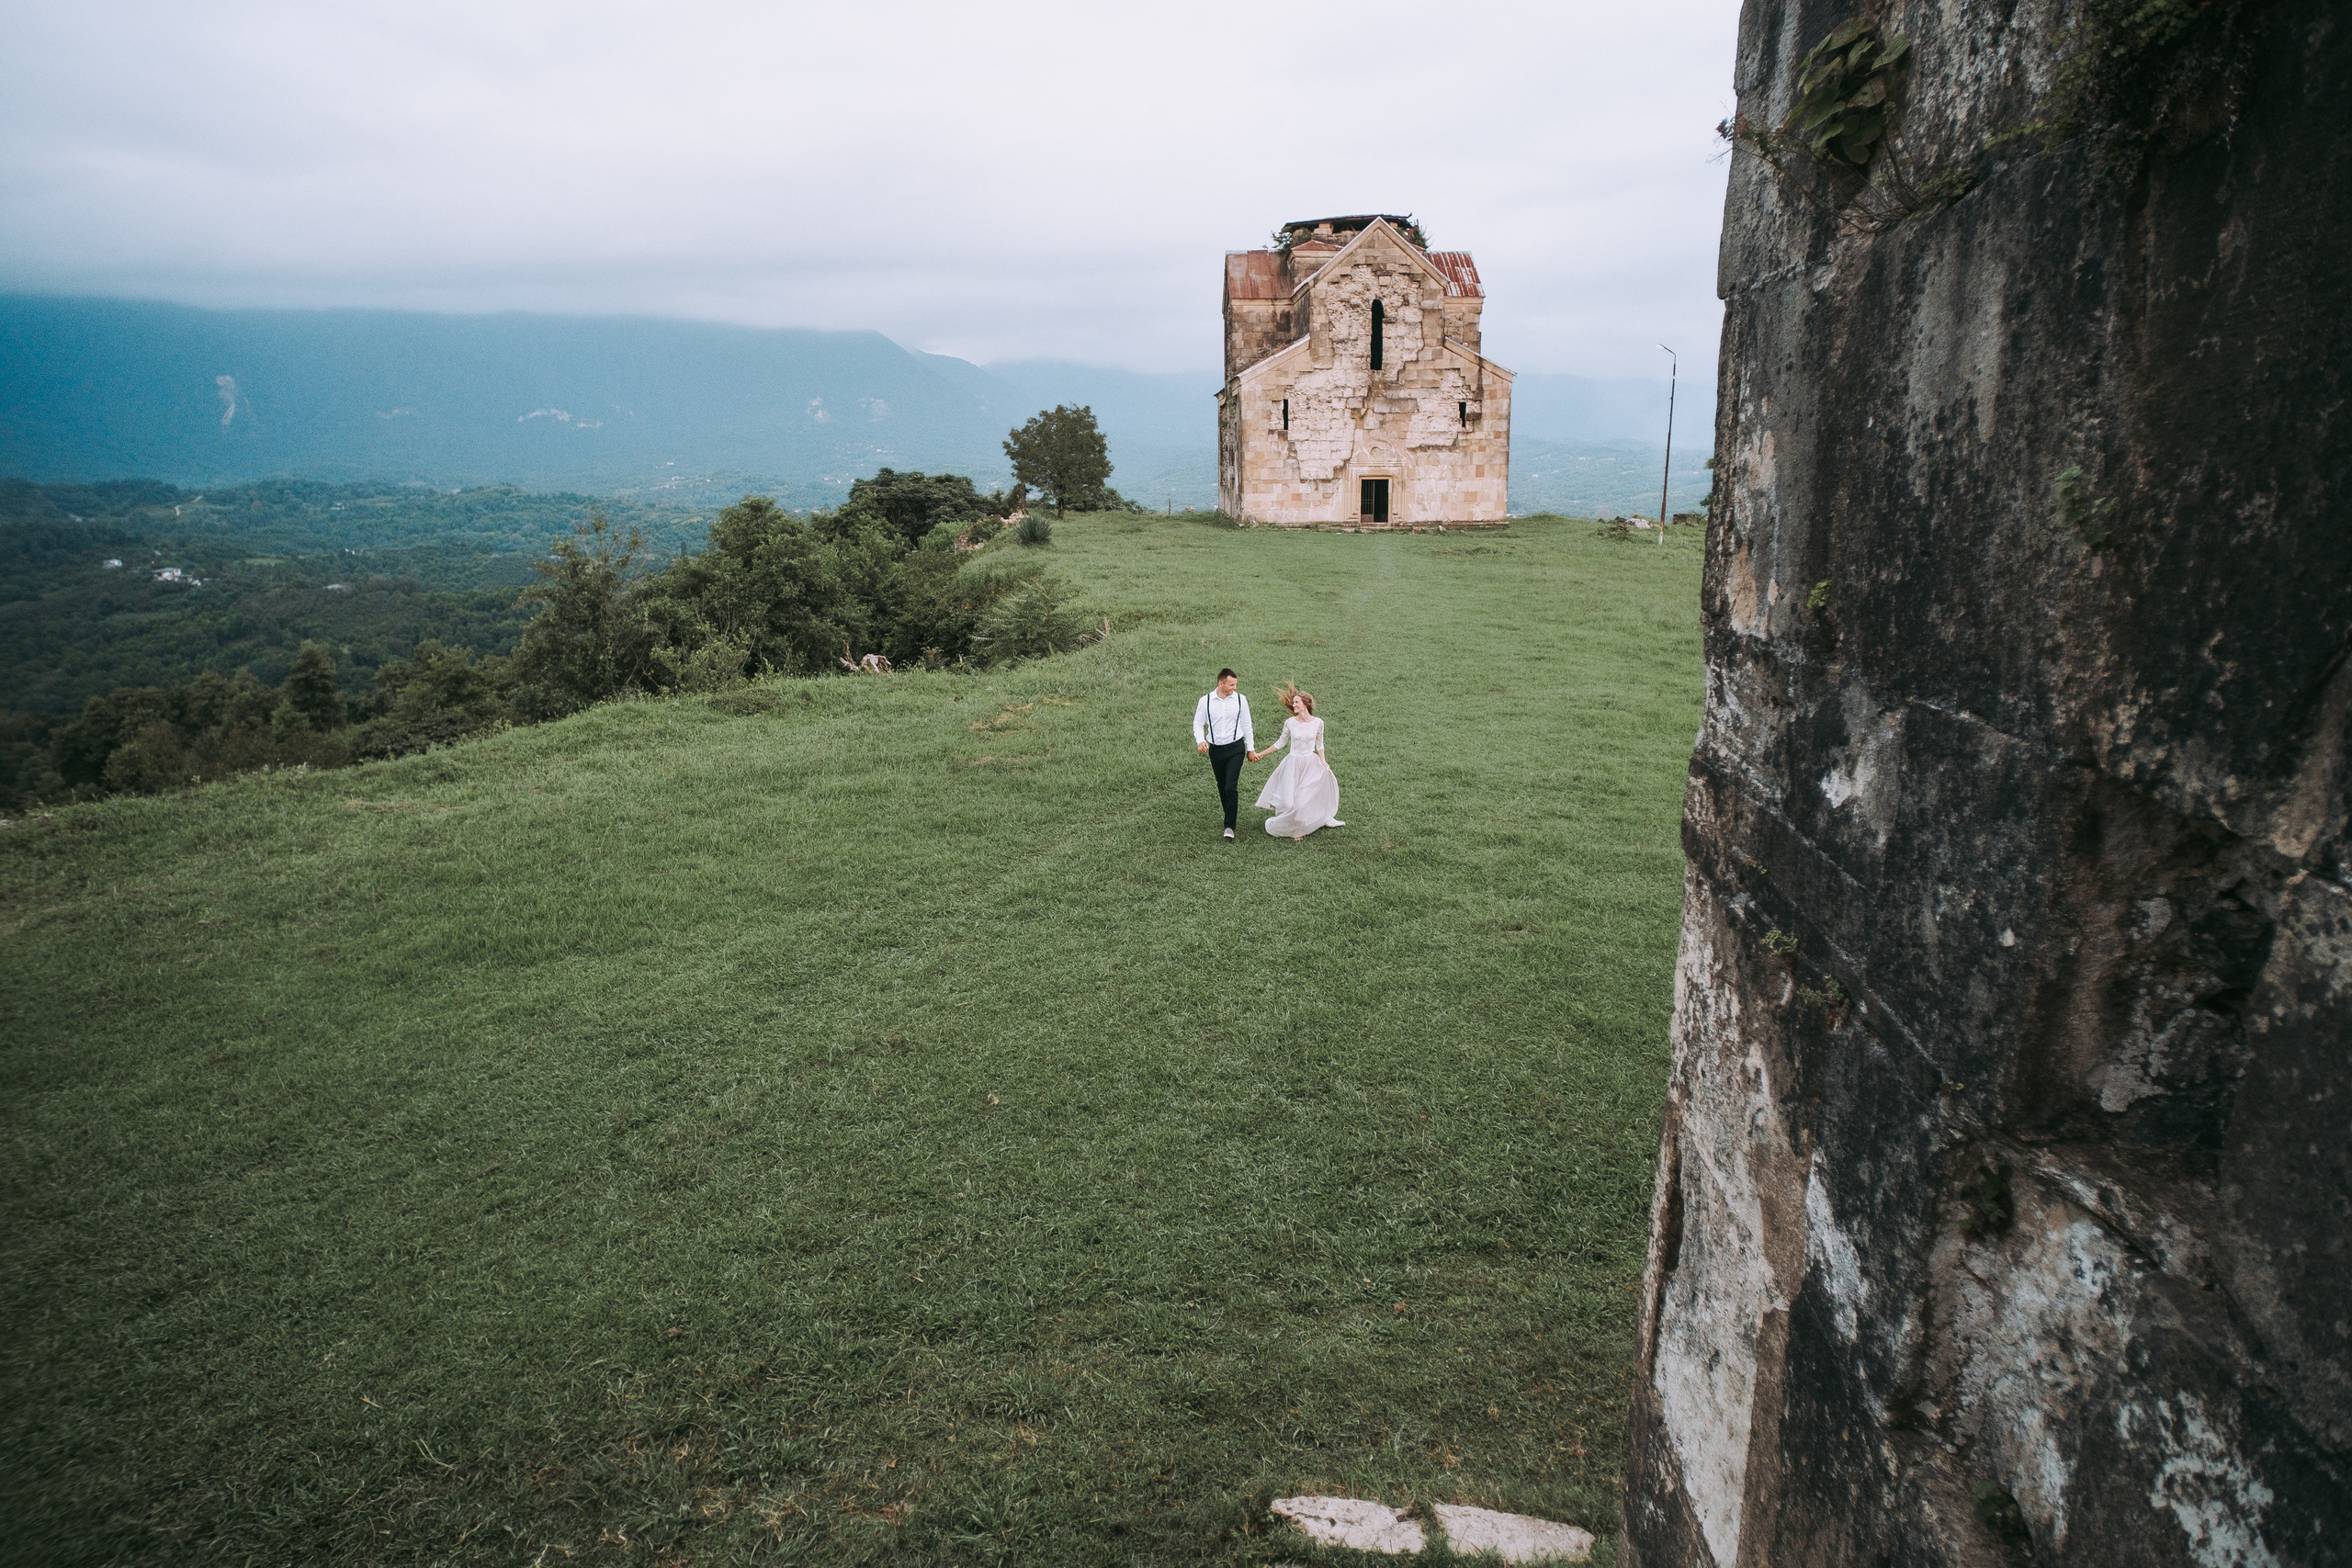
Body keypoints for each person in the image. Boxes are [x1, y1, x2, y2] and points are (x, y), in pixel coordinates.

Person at [1250, 682, 1343, 839]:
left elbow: (1319, 744)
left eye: (1296, 702)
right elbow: (1280, 743)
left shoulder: (1318, 723)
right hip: (1292, 765)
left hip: (1310, 764)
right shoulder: (1290, 723)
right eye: (1293, 702)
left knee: (1302, 801)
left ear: (1306, 704)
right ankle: (1287, 824)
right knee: (1289, 803)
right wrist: (1261, 754)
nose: (1293, 705)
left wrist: (1323, 761)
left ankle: (1298, 830)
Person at [1192, 668, 1255, 840]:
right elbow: (1198, 724)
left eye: (1235, 684)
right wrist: (1200, 741)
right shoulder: (1205, 701)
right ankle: (1229, 817)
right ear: (1221, 683)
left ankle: (1229, 826)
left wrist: (1251, 748)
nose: (1234, 688)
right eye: (1231, 684)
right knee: (1222, 786)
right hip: (1216, 750)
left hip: (1236, 748)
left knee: (1230, 786)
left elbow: (1247, 724)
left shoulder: (1241, 700)